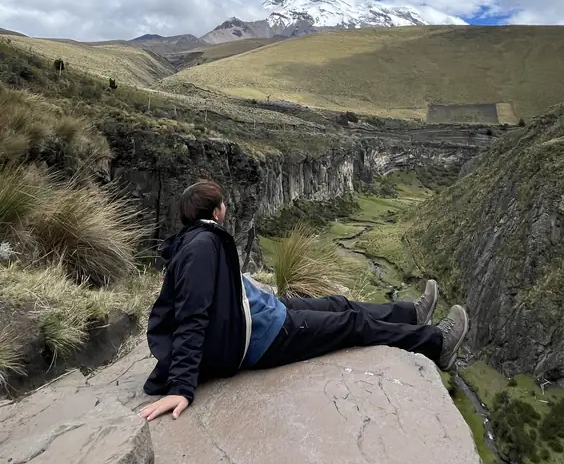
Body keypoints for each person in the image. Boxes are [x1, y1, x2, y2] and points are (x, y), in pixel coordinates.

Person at [140, 180, 469, 422]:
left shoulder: (199, 240)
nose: (227, 206)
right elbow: (191, 315)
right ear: (216, 211)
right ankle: (437, 345)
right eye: (223, 202)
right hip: (262, 337)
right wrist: (181, 386)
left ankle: (411, 313)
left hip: (261, 312)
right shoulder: (200, 249)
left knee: (341, 304)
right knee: (350, 325)